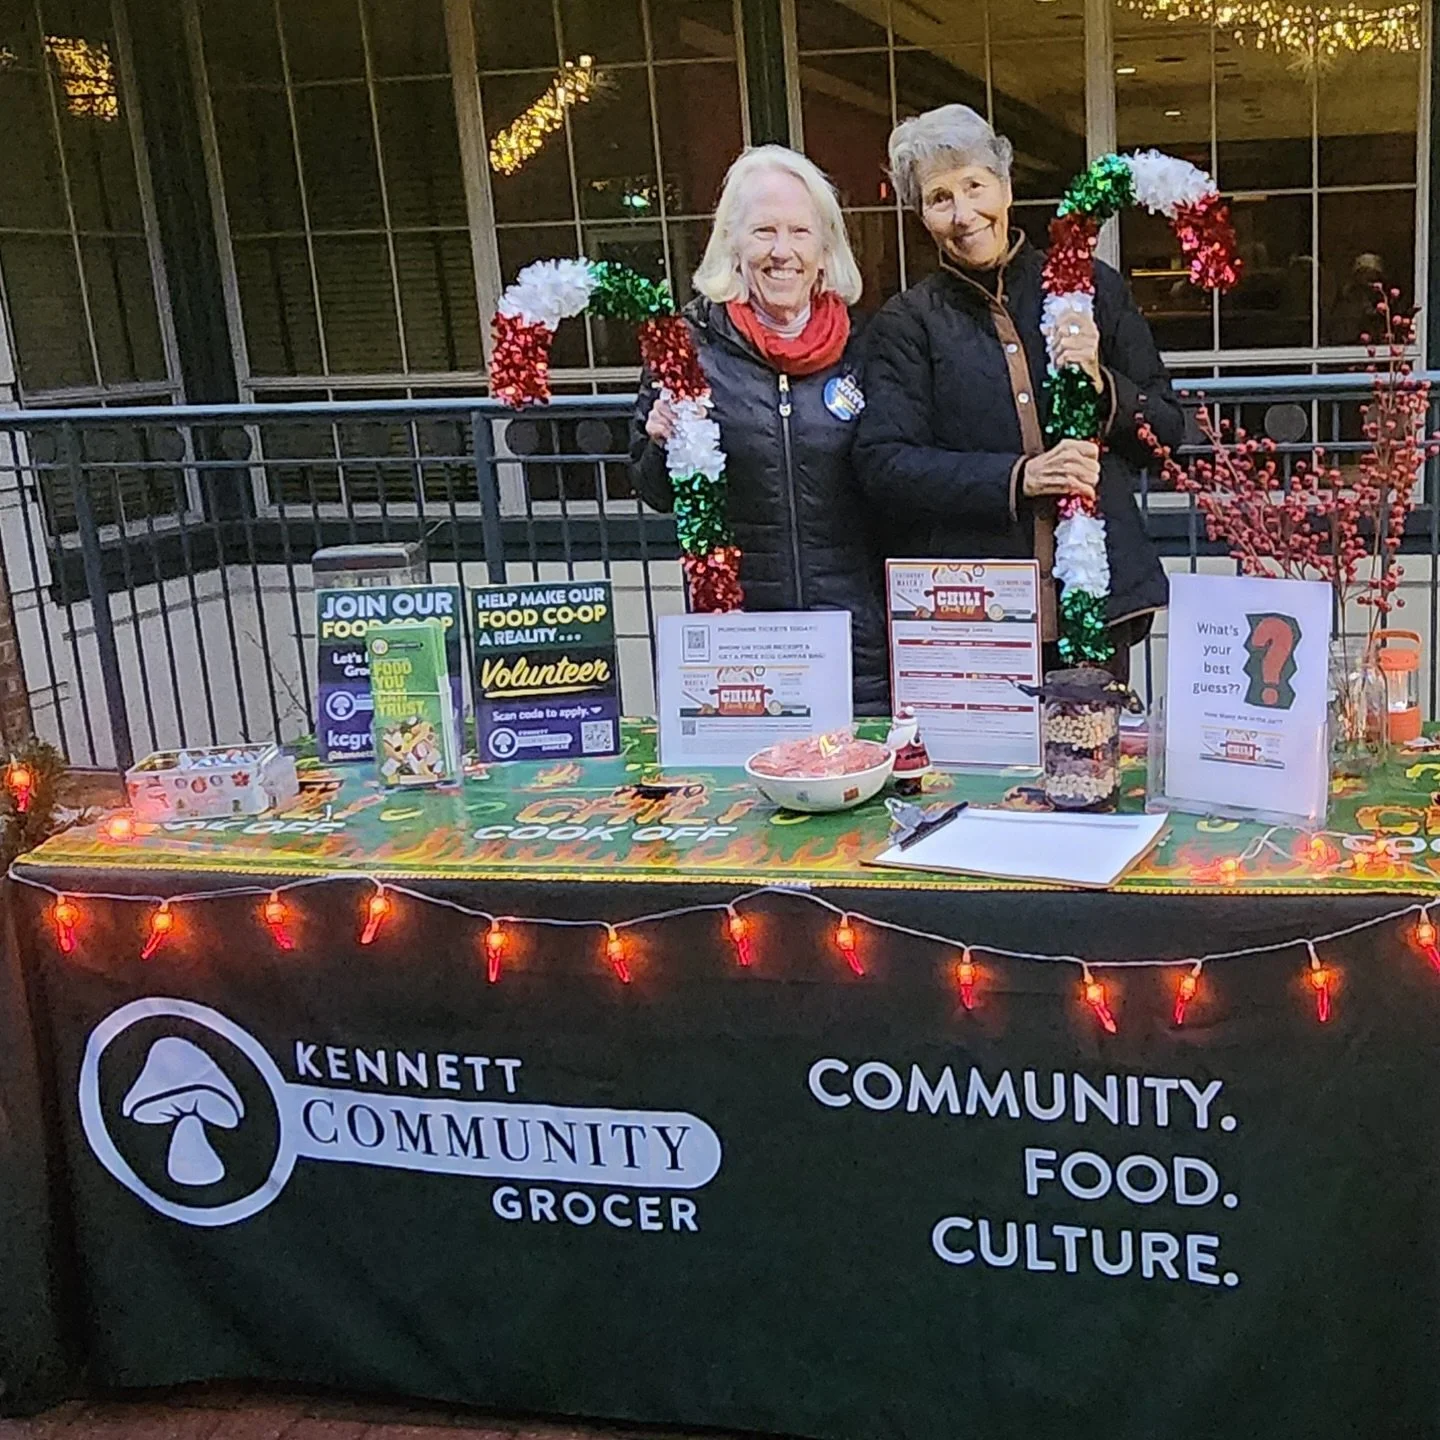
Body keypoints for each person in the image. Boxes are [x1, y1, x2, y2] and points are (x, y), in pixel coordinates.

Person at [854, 105, 1184, 680]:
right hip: (976, 615)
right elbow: (886, 464)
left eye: (975, 186)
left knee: (1088, 764)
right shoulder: (908, 323)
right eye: (939, 198)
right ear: (922, 216)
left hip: (1095, 605)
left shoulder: (1089, 288)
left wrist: (1103, 383)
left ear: (1005, 188)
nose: (964, 214)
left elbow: (1169, 430)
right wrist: (1020, 477)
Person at [629, 145, 889, 713]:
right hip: (740, 642)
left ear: (824, 250)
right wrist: (657, 442)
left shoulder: (868, 347)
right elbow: (654, 493)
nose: (781, 252)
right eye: (763, 231)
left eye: (799, 232)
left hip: (858, 643)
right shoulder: (686, 350)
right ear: (732, 244)